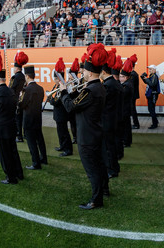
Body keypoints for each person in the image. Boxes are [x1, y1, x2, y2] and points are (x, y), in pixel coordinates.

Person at [61, 44, 109, 209]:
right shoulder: (99, 87)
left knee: (92, 169)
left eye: (84, 72)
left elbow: (70, 106)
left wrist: (63, 92)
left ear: (89, 72)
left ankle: (96, 200)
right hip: (95, 132)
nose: (82, 74)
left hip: (87, 135)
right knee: (99, 165)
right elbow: (79, 103)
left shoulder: (90, 90)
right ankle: (104, 190)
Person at [0, 51, 23, 184]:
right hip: (12, 126)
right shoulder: (10, 91)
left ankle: (10, 177)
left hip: (1, 128)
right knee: (13, 151)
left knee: (4, 154)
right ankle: (19, 173)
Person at [19, 65, 47, 170]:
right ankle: (43, 158)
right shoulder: (40, 88)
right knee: (40, 139)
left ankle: (36, 163)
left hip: (28, 119)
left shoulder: (27, 89)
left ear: (27, 76)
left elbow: (22, 105)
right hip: (38, 118)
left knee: (31, 142)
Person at [101, 49, 121, 178]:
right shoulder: (115, 83)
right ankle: (114, 168)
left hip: (107, 120)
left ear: (103, 72)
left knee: (109, 147)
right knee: (111, 145)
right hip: (114, 119)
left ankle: (112, 170)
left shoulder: (108, 85)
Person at [50, 58, 73, 157]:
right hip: (58, 114)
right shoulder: (56, 87)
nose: (54, 80)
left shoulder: (62, 87)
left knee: (64, 132)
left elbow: (56, 101)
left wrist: (51, 100)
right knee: (60, 131)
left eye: (55, 79)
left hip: (62, 114)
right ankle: (62, 146)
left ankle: (68, 149)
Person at [9, 51, 28, 142]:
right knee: (22, 118)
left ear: (16, 68)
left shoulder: (14, 77)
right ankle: (24, 134)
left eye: (14, 67)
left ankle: (19, 135)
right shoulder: (24, 76)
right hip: (22, 99)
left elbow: (11, 89)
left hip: (15, 100)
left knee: (17, 119)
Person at [120, 58, 134, 148]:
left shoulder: (126, 85)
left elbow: (123, 96)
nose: (120, 78)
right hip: (126, 107)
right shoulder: (127, 84)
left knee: (126, 126)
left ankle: (126, 141)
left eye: (121, 76)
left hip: (125, 107)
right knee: (126, 125)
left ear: (125, 77)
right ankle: (126, 140)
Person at [141, 64, 160, 129]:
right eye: (149, 69)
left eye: (151, 69)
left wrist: (146, 79)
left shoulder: (154, 76)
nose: (149, 70)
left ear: (154, 70)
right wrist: (144, 78)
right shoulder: (152, 76)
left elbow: (152, 84)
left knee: (152, 109)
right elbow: (147, 82)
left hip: (153, 94)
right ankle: (155, 122)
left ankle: (154, 124)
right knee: (151, 109)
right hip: (151, 94)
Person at [128, 54, 140, 130]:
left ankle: (136, 124)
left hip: (132, 95)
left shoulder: (132, 74)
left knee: (133, 110)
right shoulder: (133, 74)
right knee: (132, 109)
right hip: (133, 94)